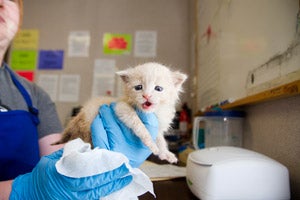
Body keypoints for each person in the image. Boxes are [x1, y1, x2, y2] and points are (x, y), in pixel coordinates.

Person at [0, 0, 158, 199]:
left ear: (20, 19)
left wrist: (100, 159)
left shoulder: (34, 95)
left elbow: (59, 159)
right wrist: (23, 191)